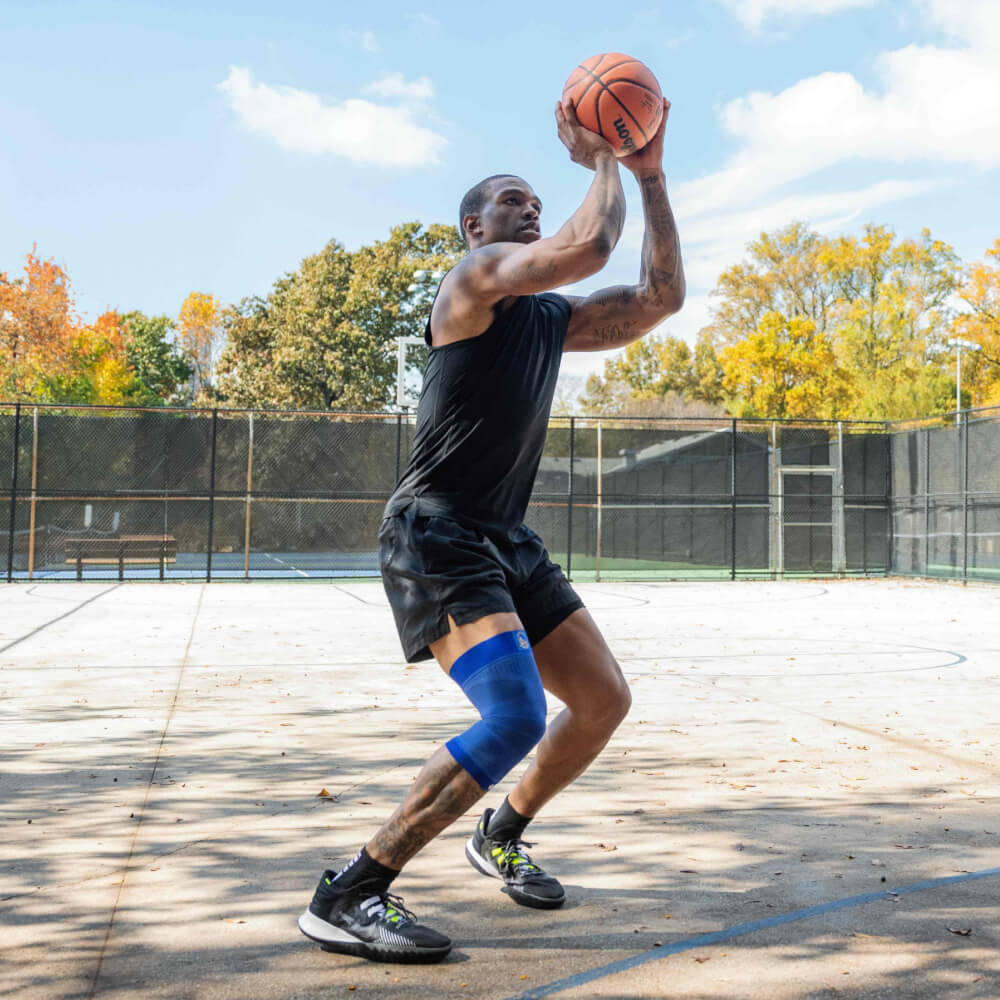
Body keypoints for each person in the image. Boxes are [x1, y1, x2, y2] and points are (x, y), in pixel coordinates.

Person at [298, 96, 685, 963]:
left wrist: (651, 175)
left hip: (504, 537)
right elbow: (586, 246)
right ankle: (349, 893)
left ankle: (500, 834)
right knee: (511, 715)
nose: (529, 208)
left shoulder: (548, 319)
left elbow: (660, 296)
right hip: (434, 531)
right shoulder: (469, 285)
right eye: (513, 202)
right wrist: (606, 153)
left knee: (602, 702)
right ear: (475, 226)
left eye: (532, 203)